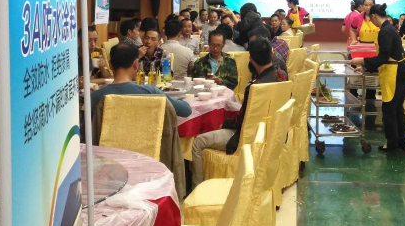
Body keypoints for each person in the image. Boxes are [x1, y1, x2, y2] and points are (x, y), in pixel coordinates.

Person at [190, 37, 287, 187]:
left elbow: (242, 120)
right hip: (272, 131)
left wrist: (224, 123)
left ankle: (197, 188)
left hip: (247, 137)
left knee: (197, 142)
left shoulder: (255, 87)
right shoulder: (282, 76)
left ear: (251, 59)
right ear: (272, 55)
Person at [351, 3, 405, 152]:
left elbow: (383, 56)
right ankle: (401, 142)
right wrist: (366, 67)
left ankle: (392, 143)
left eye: (370, 18)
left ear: (373, 16)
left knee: (390, 108)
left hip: (396, 72)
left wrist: (363, 61)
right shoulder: (389, 28)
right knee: (397, 108)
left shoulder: (385, 31)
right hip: (400, 71)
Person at [90, 42, 191, 119]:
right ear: (135, 64)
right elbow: (186, 110)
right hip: (147, 141)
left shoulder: (95, 97)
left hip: (108, 142)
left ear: (110, 65)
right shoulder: (150, 92)